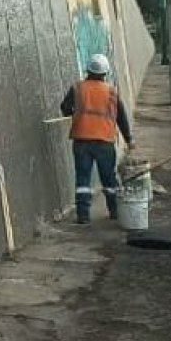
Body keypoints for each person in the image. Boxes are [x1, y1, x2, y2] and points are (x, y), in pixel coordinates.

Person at [59, 53, 133, 224]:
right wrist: (129, 139)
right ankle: (114, 211)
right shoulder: (111, 92)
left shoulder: (78, 88)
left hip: (82, 140)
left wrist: (74, 113)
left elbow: (64, 108)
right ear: (105, 73)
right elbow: (121, 117)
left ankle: (83, 215)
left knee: (83, 179)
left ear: (88, 70)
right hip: (104, 141)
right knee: (108, 178)